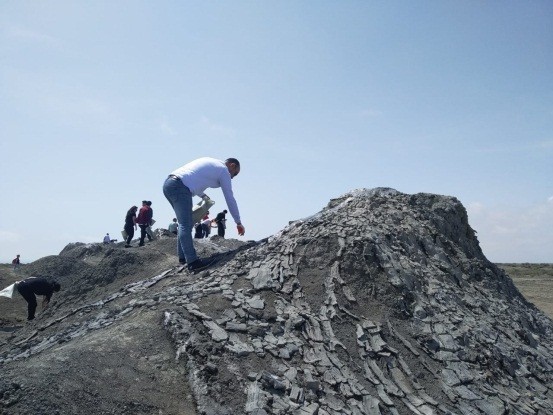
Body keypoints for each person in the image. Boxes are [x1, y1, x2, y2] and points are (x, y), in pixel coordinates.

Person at [163, 157, 245, 272]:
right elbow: (229, 197)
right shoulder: (224, 171)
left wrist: (203, 196)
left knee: (184, 223)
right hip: (180, 187)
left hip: (169, 184)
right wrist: (238, 222)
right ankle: (193, 262)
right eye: (234, 174)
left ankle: (182, 258)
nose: (232, 177)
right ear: (232, 166)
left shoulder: (212, 162)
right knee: (185, 225)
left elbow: (194, 178)